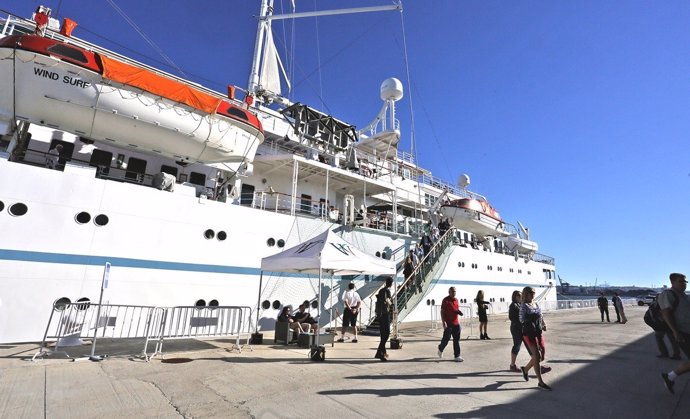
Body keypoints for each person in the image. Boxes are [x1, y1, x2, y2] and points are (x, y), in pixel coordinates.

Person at [660, 273, 690, 394]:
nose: (684, 284)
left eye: (685, 282)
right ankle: (670, 376)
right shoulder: (668, 294)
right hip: (681, 333)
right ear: (672, 282)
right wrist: (675, 332)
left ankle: (670, 377)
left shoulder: (683, 295)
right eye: (680, 281)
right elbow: (665, 313)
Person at [519, 286, 552, 391]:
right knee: (536, 356)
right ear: (526, 294)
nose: (533, 294)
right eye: (531, 293)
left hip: (538, 332)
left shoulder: (535, 304)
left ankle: (525, 369)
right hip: (529, 333)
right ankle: (540, 382)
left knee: (542, 355)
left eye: (533, 292)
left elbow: (541, 315)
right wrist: (531, 320)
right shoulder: (523, 306)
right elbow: (521, 319)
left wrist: (543, 323)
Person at [437, 286, 464, 361]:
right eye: (452, 291)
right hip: (448, 323)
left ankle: (457, 356)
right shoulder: (445, 300)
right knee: (446, 339)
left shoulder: (456, 300)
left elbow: (455, 309)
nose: (454, 292)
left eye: (455, 291)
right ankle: (440, 348)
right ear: (449, 292)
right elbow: (442, 311)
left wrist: (459, 312)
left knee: (456, 340)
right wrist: (443, 322)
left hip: (456, 324)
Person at [375, 277, 394, 361]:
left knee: (383, 334)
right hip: (385, 314)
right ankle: (380, 353)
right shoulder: (387, 291)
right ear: (391, 283)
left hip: (380, 314)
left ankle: (381, 352)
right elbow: (388, 301)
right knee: (386, 335)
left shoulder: (381, 291)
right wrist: (392, 304)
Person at [508, 290, 523, 372]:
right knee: (517, 346)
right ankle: (512, 364)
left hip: (521, 328)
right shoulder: (513, 305)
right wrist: (520, 319)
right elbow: (511, 317)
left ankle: (536, 363)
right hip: (516, 328)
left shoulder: (520, 304)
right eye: (519, 296)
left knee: (530, 346)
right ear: (515, 296)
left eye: (521, 295)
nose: (520, 297)